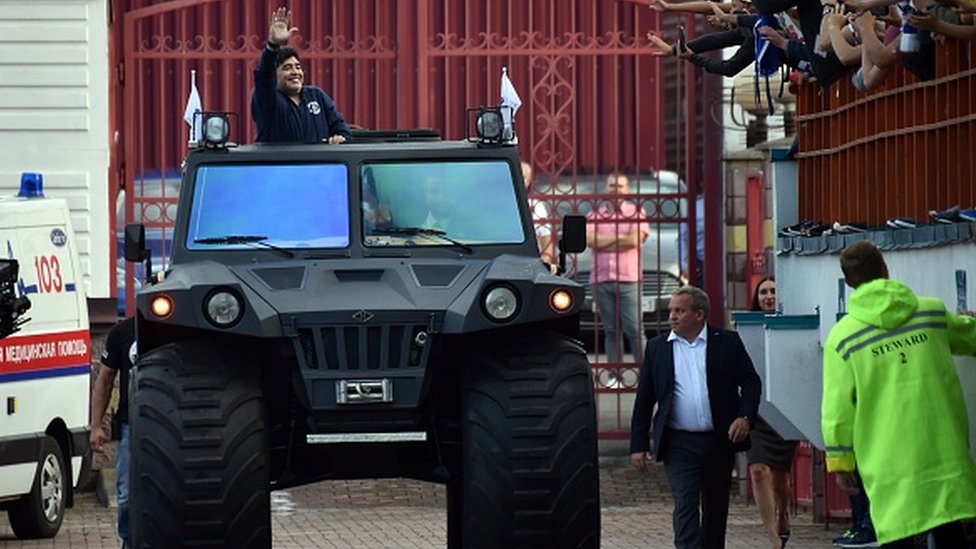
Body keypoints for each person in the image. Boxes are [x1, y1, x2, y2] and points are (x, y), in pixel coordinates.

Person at [822, 240, 976, 548]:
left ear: (849, 282)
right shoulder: (931, 313)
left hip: (886, 459)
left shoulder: (842, 338)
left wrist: (840, 462)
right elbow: (969, 338)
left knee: (897, 534)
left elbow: (837, 409)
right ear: (884, 268)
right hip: (941, 448)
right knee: (949, 532)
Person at [630, 285, 762, 549]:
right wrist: (638, 445)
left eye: (680, 311)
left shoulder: (727, 342)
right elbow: (645, 398)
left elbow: (750, 381)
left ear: (699, 314)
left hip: (718, 440)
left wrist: (745, 417)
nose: (672, 316)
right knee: (685, 502)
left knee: (715, 506)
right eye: (671, 311)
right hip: (678, 442)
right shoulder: (658, 348)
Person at [745, 277, 799, 549]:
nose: (768, 296)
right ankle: (772, 537)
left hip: (784, 407)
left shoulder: (791, 326)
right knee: (758, 470)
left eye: (774, 291)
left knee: (780, 479)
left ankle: (783, 513)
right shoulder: (746, 328)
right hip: (757, 411)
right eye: (763, 291)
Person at [251, 7, 351, 143]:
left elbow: (341, 129)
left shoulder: (316, 95)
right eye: (287, 68)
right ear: (275, 75)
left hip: (317, 164)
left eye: (298, 67)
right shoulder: (268, 100)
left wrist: (339, 138)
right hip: (280, 164)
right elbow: (263, 77)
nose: (295, 72)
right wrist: (272, 45)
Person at [587, 172, 650, 364]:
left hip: (629, 279)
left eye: (620, 186)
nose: (616, 190)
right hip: (601, 279)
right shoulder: (594, 215)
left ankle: (646, 374)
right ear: (606, 189)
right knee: (611, 332)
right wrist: (621, 240)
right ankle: (616, 376)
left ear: (627, 189)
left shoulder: (637, 213)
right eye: (612, 185)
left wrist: (603, 242)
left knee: (634, 330)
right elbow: (589, 240)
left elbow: (634, 240)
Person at [90, 316, 136, 549]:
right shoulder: (123, 331)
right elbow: (105, 379)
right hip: (131, 424)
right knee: (127, 493)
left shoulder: (182, 328)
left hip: (176, 426)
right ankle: (128, 541)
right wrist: (96, 425)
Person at [521, 161, 556, 265]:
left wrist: (544, 262)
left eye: (522, 177)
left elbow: (546, 243)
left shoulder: (537, 207)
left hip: (530, 264)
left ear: (528, 181)